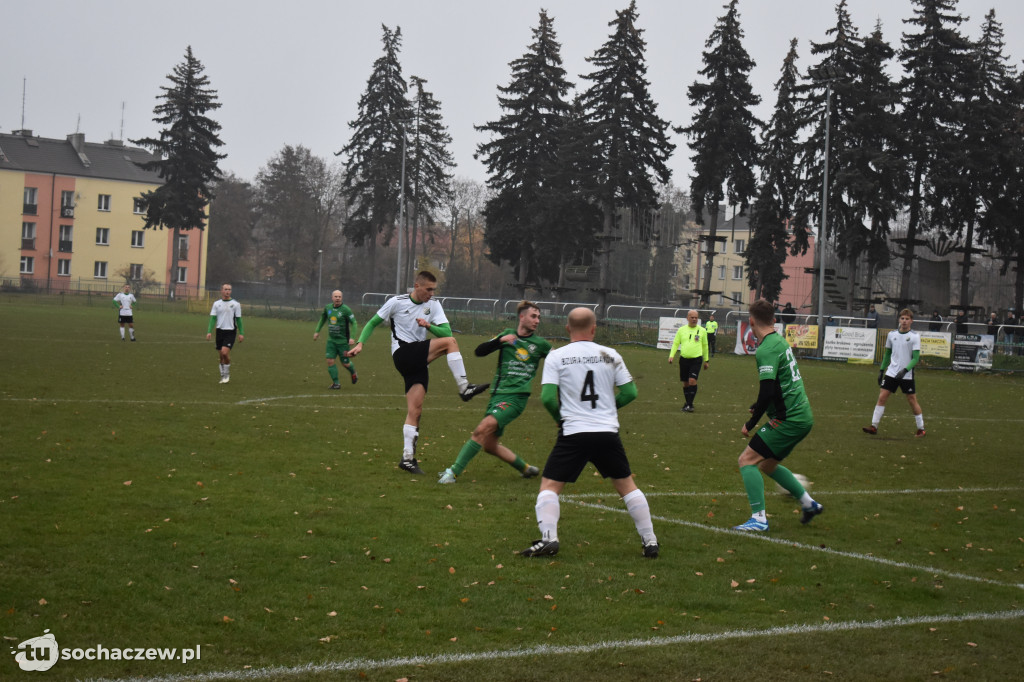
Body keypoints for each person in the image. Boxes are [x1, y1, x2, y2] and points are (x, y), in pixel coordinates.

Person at [519, 307, 658, 558]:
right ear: (594, 329)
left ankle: (549, 538)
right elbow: (631, 393)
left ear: (567, 329)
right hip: (606, 431)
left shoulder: (556, 356)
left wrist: (561, 420)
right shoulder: (610, 354)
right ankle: (650, 541)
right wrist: (608, 410)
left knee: (549, 486)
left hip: (574, 431)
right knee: (627, 486)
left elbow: (548, 398)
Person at [346, 271, 489, 474]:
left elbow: (446, 332)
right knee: (451, 344)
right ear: (417, 286)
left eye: (434, 290)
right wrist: (360, 344)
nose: (431, 293)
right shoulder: (397, 302)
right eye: (428, 289)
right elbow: (372, 323)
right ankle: (464, 387)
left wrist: (429, 325)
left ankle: (407, 459)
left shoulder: (434, 306)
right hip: (403, 354)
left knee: (416, 410)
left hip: (419, 360)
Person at [733, 299, 822, 532]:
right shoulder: (780, 341)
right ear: (773, 320)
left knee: (747, 460)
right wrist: (759, 405)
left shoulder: (766, 349)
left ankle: (759, 519)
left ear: (751, 321)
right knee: (768, 465)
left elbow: (767, 391)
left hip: (789, 419)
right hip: (802, 416)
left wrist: (751, 422)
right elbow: (775, 387)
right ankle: (809, 504)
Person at [439, 301, 551, 484]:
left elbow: (559, 359)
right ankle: (526, 469)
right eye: (533, 316)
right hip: (497, 395)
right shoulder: (507, 335)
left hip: (516, 398)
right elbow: (479, 351)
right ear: (521, 317)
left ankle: (453, 473)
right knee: (490, 446)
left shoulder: (540, 344)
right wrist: (500, 341)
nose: (537, 320)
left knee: (481, 430)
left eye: (539, 317)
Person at [862, 308, 926, 438]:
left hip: (906, 374)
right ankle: (874, 426)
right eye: (902, 318)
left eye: (907, 319)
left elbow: (915, 358)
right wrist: (881, 370)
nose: (904, 321)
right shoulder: (892, 335)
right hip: (891, 372)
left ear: (911, 321)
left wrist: (905, 370)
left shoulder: (914, 336)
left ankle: (921, 429)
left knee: (912, 399)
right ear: (899, 320)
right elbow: (887, 354)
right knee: (882, 397)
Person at [313, 290, 358, 389]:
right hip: (331, 341)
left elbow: (354, 323)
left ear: (341, 298)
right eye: (336, 296)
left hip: (343, 342)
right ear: (332, 298)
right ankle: (336, 383)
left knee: (345, 363)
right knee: (330, 361)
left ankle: (353, 372)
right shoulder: (328, 308)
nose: (337, 298)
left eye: (339, 297)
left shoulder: (346, 310)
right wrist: (317, 331)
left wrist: (352, 337)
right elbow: (322, 319)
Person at [667, 309, 709, 412]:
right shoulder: (681, 330)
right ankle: (688, 403)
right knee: (685, 383)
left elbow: (705, 346)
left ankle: (689, 405)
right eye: (692, 317)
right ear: (687, 318)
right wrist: (671, 355)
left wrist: (706, 360)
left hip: (696, 359)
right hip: (684, 360)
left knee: (692, 380)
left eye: (696, 317)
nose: (694, 319)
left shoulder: (702, 331)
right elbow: (676, 343)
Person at [206, 283, 244, 384]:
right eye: (226, 289)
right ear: (221, 291)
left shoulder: (236, 304)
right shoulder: (216, 304)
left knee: (225, 353)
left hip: (230, 332)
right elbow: (213, 319)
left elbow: (239, 320)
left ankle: (226, 375)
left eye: (229, 289)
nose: (227, 291)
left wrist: (241, 333)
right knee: (221, 356)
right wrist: (209, 331)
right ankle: (222, 376)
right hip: (219, 331)